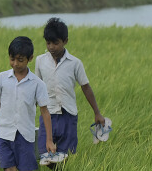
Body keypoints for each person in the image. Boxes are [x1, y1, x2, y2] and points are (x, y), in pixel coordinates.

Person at [32, 17, 105, 162]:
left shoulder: (75, 63)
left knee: (67, 155)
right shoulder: (40, 61)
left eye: (55, 43)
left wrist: (97, 112)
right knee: (45, 154)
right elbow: (36, 88)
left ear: (65, 41)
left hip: (68, 114)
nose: (51, 47)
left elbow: (86, 87)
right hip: (48, 114)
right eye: (48, 43)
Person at [0, 36, 56, 171]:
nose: (15, 64)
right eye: (12, 59)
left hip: (25, 135)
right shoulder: (1, 79)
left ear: (30, 58)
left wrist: (49, 140)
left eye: (20, 60)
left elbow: (45, 112)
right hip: (4, 133)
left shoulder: (37, 84)